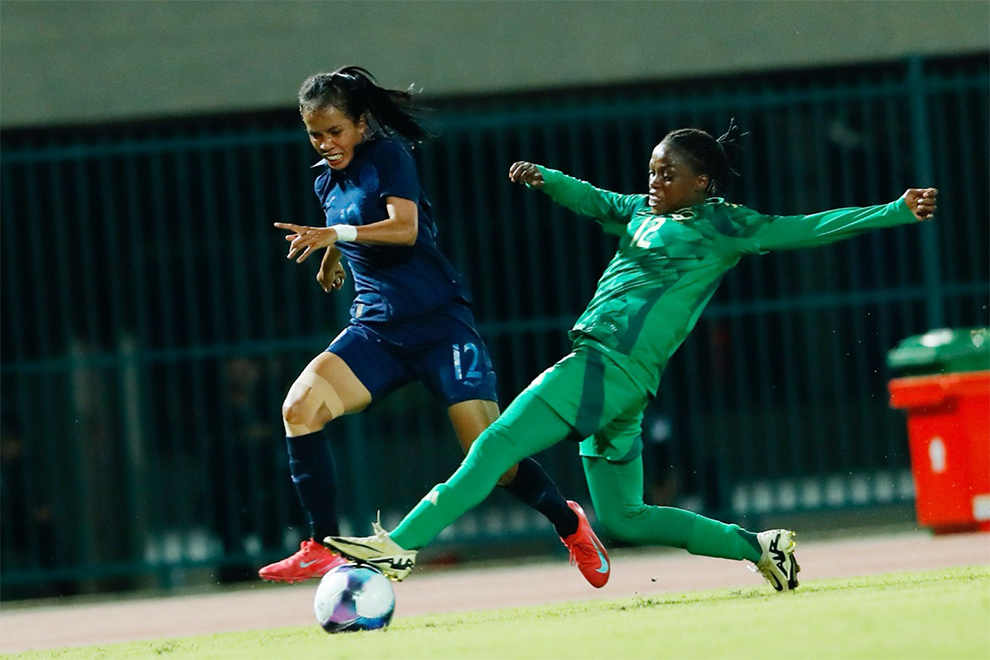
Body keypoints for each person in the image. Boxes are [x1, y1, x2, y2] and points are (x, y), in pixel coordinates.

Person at [325, 121, 938, 592]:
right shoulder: (644, 211)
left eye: (668, 174)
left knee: (495, 446)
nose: (655, 182)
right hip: (620, 382)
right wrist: (548, 178)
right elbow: (598, 200)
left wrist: (893, 210)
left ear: (703, 182)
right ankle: (760, 547)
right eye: (652, 171)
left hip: (603, 367)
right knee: (627, 518)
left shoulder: (725, 226)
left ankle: (398, 546)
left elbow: (807, 227)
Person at [258, 66, 610, 588]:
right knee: (298, 409)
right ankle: (320, 544)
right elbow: (352, 225)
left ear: (360, 124)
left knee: (489, 456)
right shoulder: (324, 179)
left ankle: (570, 523)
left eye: (335, 131)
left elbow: (403, 229)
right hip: (377, 331)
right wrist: (333, 252)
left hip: (439, 325)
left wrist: (336, 232)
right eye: (315, 133)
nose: (326, 143)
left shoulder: (388, 157)